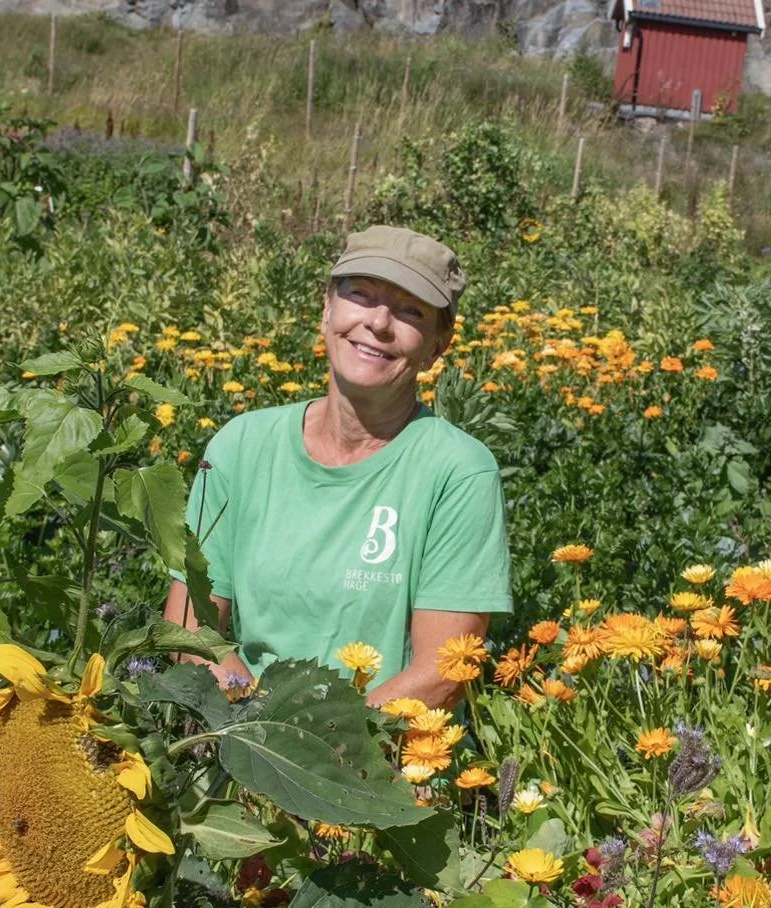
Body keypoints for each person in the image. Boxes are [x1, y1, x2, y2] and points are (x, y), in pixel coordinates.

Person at [163, 224, 512, 709]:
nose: (379, 323)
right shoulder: (239, 447)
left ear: (439, 343)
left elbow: (443, 672)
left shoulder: (457, 472)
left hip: (387, 764)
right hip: (242, 742)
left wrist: (317, 755)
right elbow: (191, 630)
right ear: (328, 308)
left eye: (410, 310)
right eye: (361, 295)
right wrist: (260, 738)